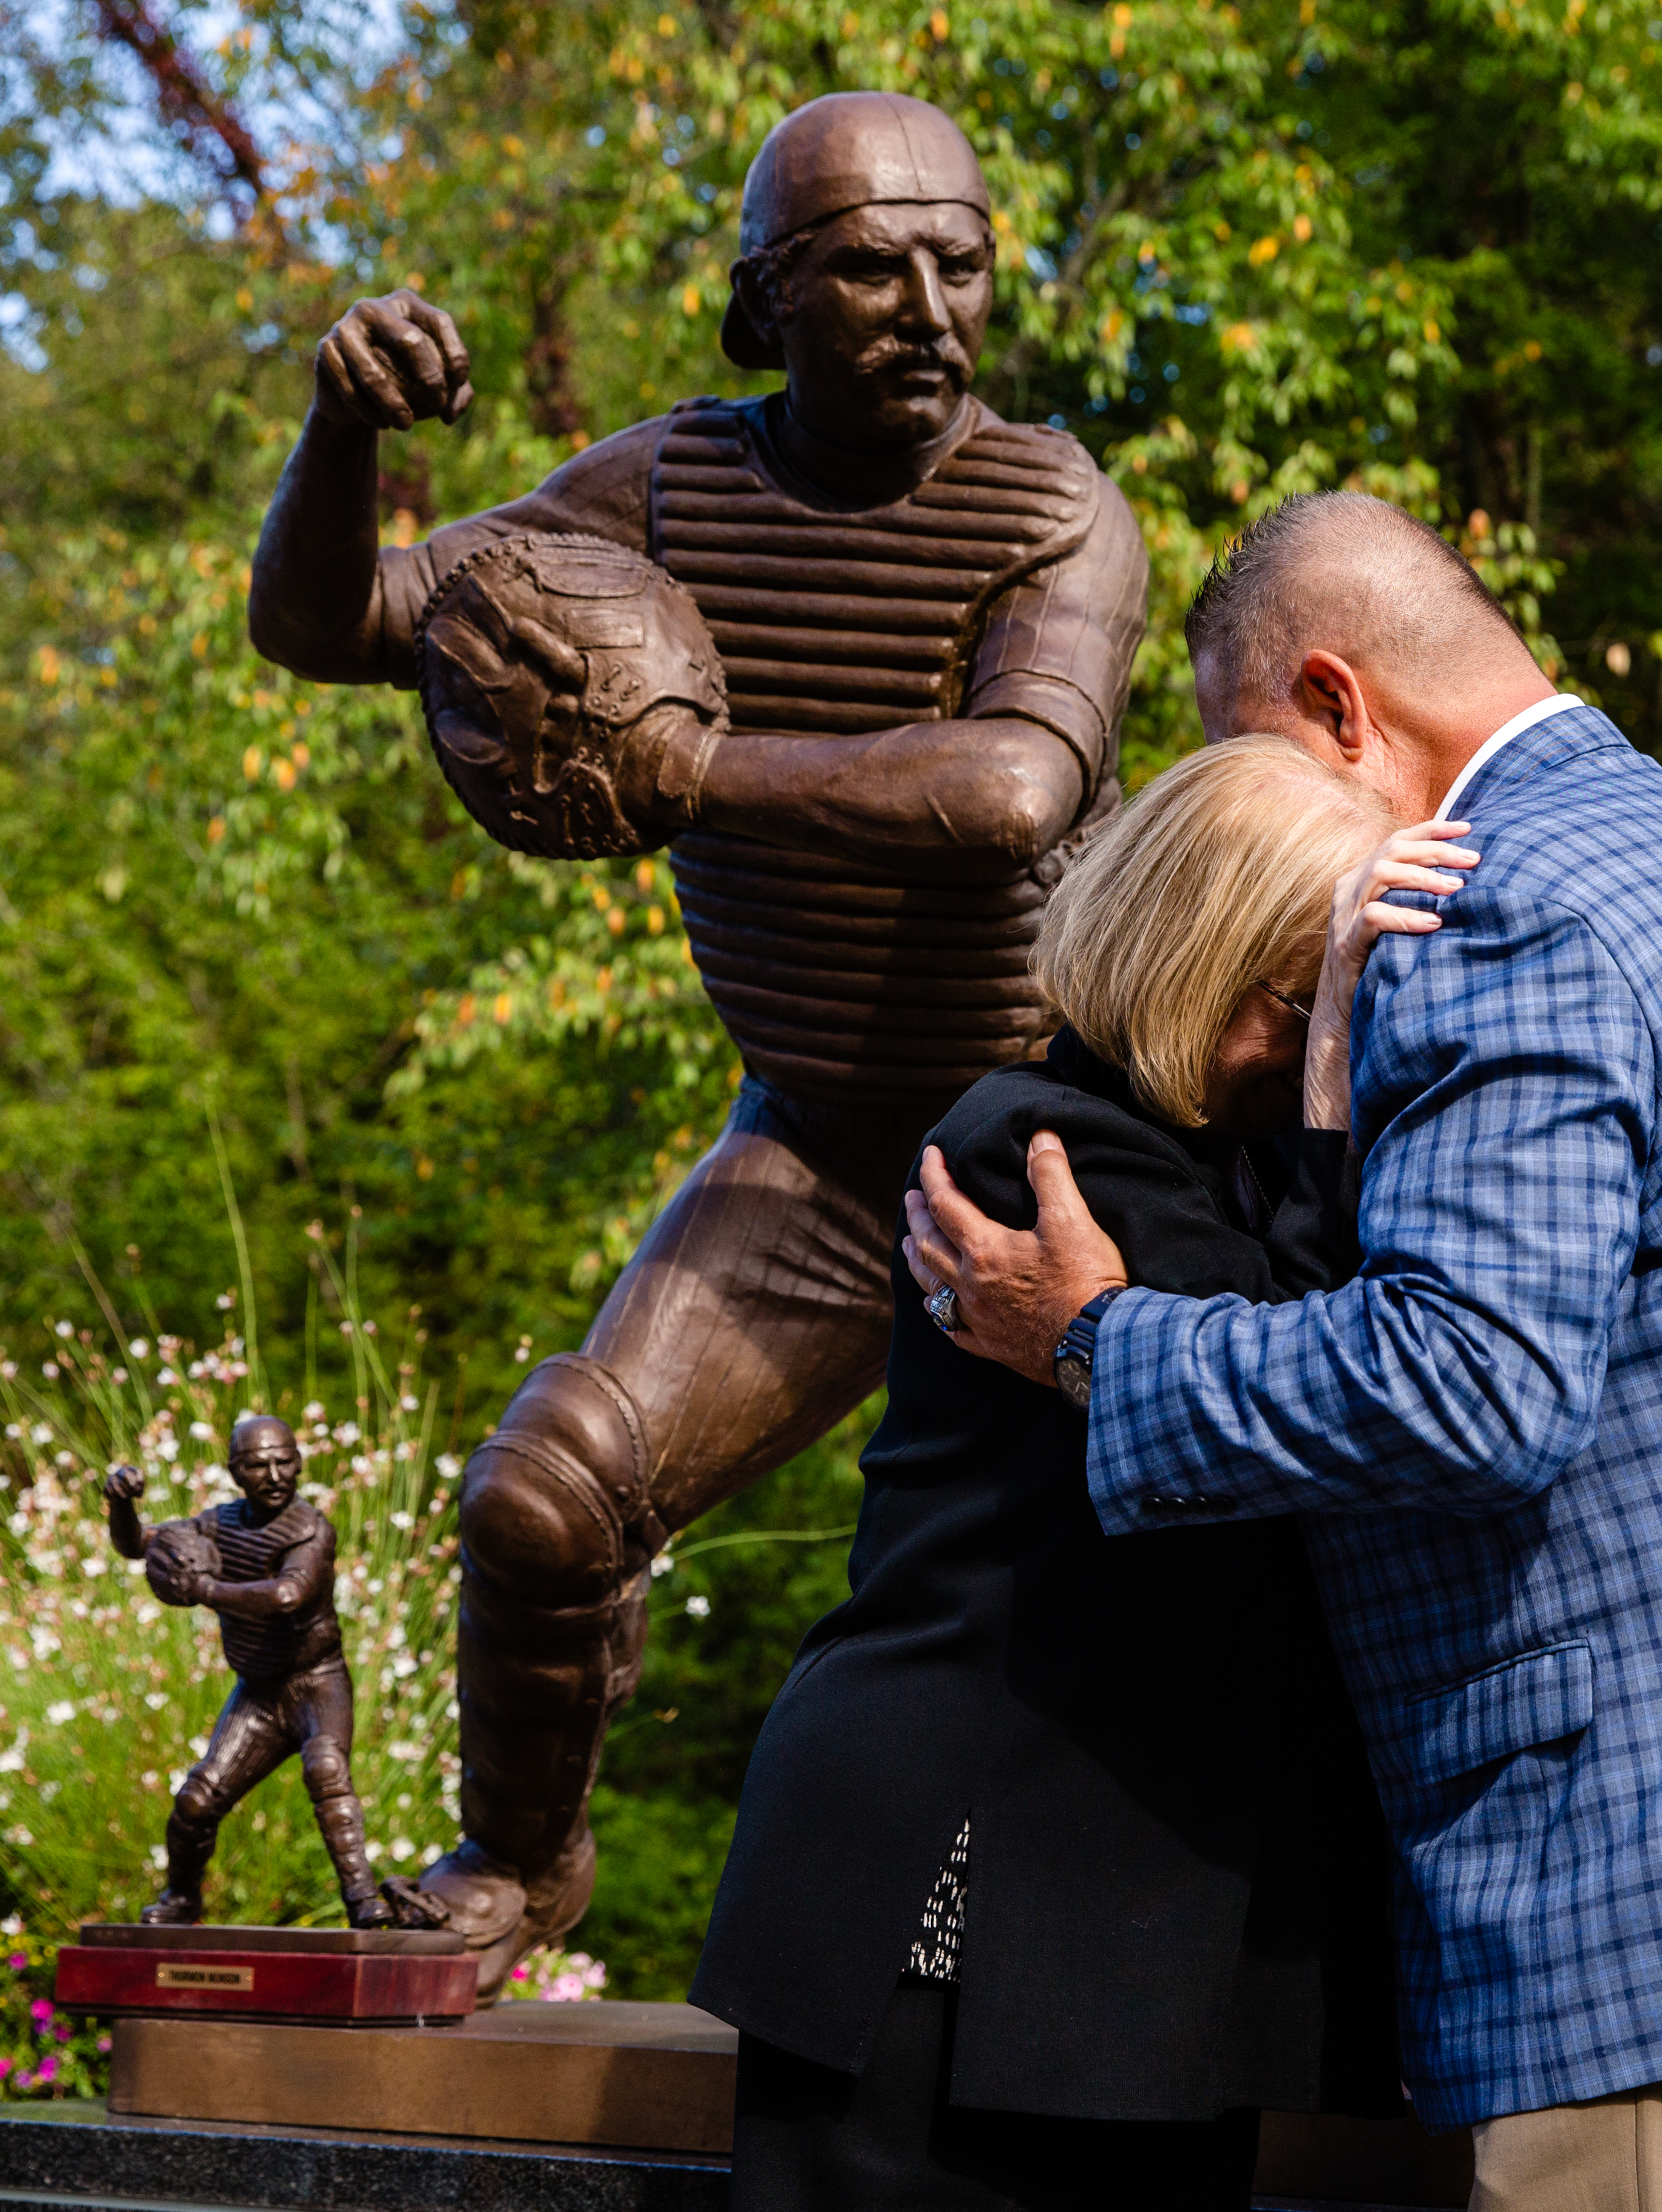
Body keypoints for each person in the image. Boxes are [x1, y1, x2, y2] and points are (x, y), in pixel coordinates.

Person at [904, 493, 1662, 2212]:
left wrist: (1103, 1343)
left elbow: (1475, 1383)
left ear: (1335, 705)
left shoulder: (1489, 905)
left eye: (1254, 757)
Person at [239, 89, 1148, 1984]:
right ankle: (513, 1863)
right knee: (544, 1490)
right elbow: (332, 626)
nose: (927, 305)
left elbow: (1013, 784)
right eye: (869, 269)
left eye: (959, 263)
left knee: (1165, 1609)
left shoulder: (1051, 508)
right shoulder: (655, 492)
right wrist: (342, 427)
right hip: (817, 1153)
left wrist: (687, 769)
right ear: (764, 308)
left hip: (1072, 1147)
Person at [690, 738, 1476, 2212]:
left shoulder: (1199, 1168)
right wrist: (1325, 1100)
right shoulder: (1033, 1155)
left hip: (1111, 1946)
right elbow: (1293, 1389)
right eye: (1304, 991)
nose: (1336, 1029)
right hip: (961, 1913)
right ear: (1206, 966)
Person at [100, 1415, 433, 1930]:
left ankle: (363, 1899)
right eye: (258, 1464)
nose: (274, 1474)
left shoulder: (312, 1530)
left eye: (284, 1461)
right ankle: (183, 1899)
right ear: (236, 1472)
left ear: (299, 1463)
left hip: (316, 1682)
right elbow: (137, 1543)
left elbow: (286, 1594)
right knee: (195, 1800)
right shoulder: (218, 1524)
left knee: (325, 1768)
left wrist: (204, 1590)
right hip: (258, 1693)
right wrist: (121, 1503)